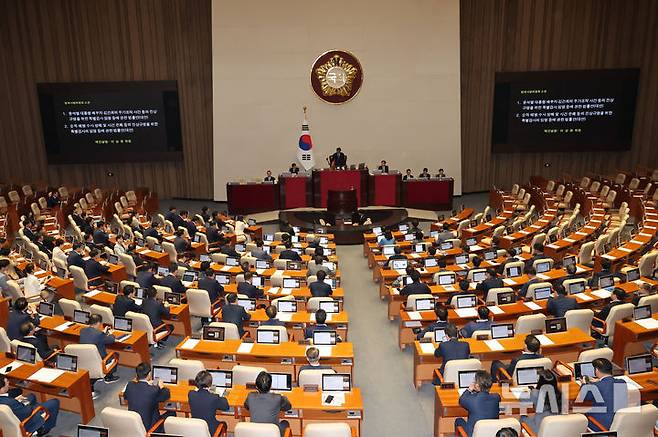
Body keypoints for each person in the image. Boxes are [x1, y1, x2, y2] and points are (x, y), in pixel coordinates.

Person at [578, 358, 628, 431]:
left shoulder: (593, 387)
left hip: (600, 426)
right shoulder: (622, 382)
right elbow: (607, 385)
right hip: (618, 423)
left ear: (596, 370)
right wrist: (598, 381)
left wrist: (584, 385)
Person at [124, 363, 172, 431]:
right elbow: (166, 395)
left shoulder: (130, 385)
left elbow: (125, 397)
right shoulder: (153, 390)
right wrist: (161, 386)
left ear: (137, 374)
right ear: (149, 374)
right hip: (149, 428)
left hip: (133, 425)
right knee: (172, 413)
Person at [454, 370, 501, 437]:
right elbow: (497, 396)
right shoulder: (496, 397)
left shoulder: (472, 400)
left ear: (477, 386)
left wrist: (469, 389)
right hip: (492, 433)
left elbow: (461, 400)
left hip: (474, 434)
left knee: (458, 420)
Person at [244, 371, 292, 437]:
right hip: (273, 434)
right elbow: (288, 407)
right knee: (285, 423)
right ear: (271, 386)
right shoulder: (278, 398)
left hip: (254, 433)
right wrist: (283, 397)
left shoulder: (250, 396)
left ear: (256, 387)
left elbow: (246, 406)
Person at [520, 369, 562, 433]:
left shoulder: (535, 393)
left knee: (523, 417)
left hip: (539, 429)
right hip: (557, 426)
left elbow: (522, 399)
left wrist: (526, 391)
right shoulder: (560, 394)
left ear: (540, 382)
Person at [188, 370, 230, 435]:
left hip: (195, 428)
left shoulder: (191, 394)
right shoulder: (213, 397)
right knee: (224, 424)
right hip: (210, 430)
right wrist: (219, 395)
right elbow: (226, 407)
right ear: (210, 384)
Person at [80, 314, 119, 382]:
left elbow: (94, 336)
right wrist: (110, 333)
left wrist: (102, 333)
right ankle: (109, 377)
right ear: (98, 323)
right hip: (99, 360)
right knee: (116, 354)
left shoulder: (82, 331)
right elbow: (111, 340)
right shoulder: (99, 334)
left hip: (85, 358)